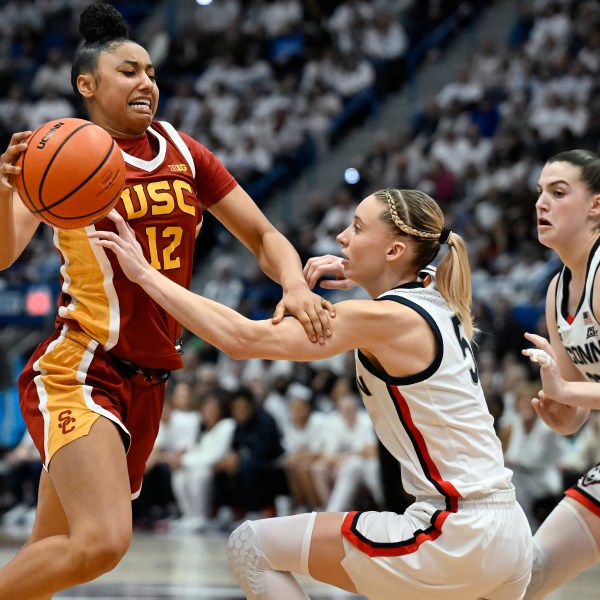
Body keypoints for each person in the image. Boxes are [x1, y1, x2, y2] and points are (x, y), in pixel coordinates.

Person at [0, 4, 333, 597]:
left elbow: (262, 236)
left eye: (151, 72)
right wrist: (6, 192)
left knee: (50, 555)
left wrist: (295, 282)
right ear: (88, 84)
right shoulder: (58, 154)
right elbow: (4, 253)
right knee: (102, 543)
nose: (147, 83)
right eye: (128, 71)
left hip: (150, 377)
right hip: (82, 365)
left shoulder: (181, 149)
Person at [91, 187, 533, 599]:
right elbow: (405, 281)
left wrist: (145, 274)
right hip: (507, 532)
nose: (341, 237)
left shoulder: (386, 318)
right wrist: (364, 271)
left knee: (252, 546)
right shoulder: (435, 303)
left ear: (394, 250)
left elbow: (242, 339)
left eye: (357, 229)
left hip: (457, 532)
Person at [520, 149, 600, 599]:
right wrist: (560, 410)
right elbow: (576, 410)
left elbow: (575, 387)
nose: (541, 203)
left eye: (558, 192)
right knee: (526, 575)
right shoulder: (556, 290)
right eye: (539, 193)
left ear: (597, 205)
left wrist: (567, 388)